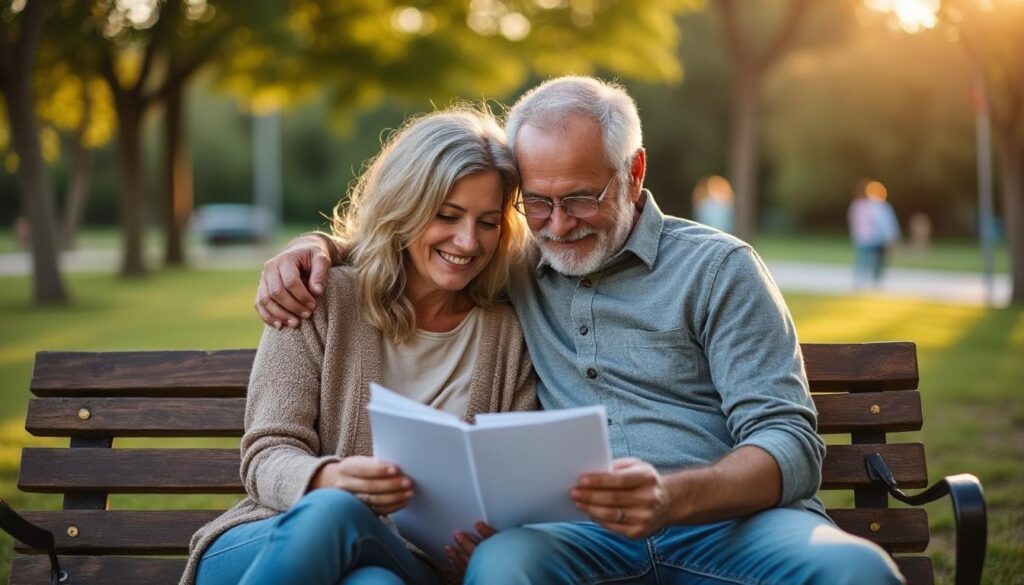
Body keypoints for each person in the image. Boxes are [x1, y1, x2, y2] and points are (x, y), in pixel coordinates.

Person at [255, 77, 904, 584]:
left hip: (731, 525)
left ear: (635, 172)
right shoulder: (514, 263)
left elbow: (790, 441)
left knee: (858, 571)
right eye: (537, 202)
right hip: (579, 538)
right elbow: (422, 242)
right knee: (503, 566)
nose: (559, 225)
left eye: (581, 198)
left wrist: (672, 497)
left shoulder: (719, 269)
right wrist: (316, 249)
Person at [181, 107, 537, 585]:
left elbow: (513, 486)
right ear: (405, 207)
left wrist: (492, 534)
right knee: (337, 512)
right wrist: (329, 480)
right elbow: (267, 453)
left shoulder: (508, 335)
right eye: (447, 216)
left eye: (488, 222)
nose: (468, 241)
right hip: (272, 537)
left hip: (410, 562)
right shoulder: (319, 297)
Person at [848, 180, 901, 289]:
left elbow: (887, 224)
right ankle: (861, 281)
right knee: (864, 260)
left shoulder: (880, 206)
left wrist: (890, 237)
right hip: (865, 238)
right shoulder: (859, 206)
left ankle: (874, 281)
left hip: (877, 238)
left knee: (877, 261)